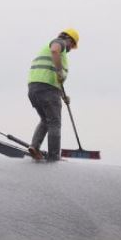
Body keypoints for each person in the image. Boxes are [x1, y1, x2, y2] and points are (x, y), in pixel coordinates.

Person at [26, 28, 79, 161]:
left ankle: (34, 147)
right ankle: (54, 157)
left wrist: (62, 95)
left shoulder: (51, 52)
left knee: (45, 120)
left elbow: (52, 77)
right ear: (69, 40)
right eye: (72, 46)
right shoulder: (59, 43)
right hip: (47, 90)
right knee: (55, 122)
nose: (71, 49)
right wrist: (60, 71)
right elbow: (55, 50)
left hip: (34, 88)